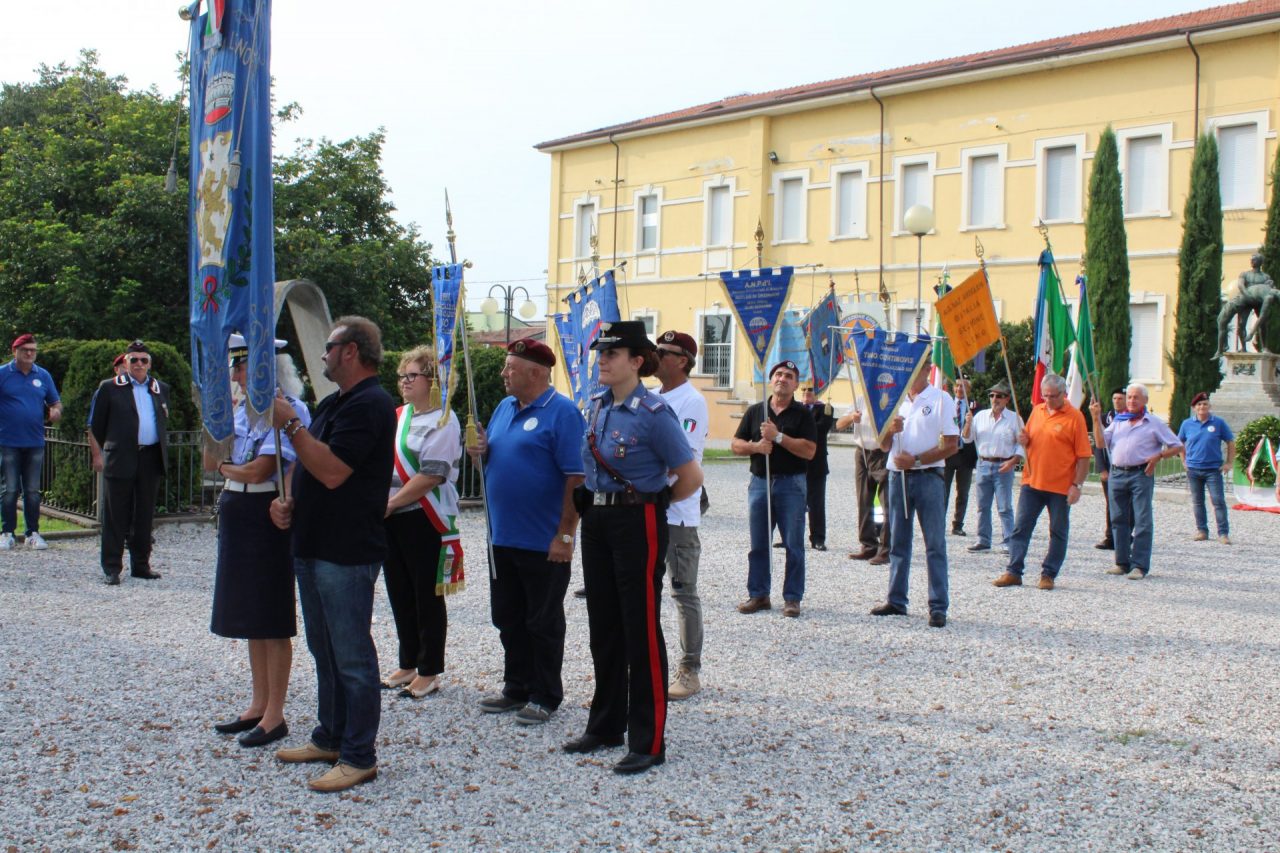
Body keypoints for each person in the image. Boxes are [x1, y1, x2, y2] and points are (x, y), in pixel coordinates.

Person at [565, 321, 703, 775]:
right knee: (603, 625)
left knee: (640, 627)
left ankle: (649, 739)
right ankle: (606, 724)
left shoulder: (653, 412)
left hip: (637, 518)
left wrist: (652, 505)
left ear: (637, 361)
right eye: (600, 351)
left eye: (613, 352)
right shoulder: (598, 406)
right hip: (599, 519)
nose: (602, 359)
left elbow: (691, 478)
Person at [268, 316, 396, 793]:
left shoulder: (371, 405)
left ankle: (360, 754)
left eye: (328, 346)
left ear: (351, 351)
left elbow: (334, 471)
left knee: (352, 656)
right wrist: (288, 503)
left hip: (345, 549)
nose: (321, 355)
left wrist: (294, 424)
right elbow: (307, 469)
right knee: (324, 651)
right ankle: (331, 736)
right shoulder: (334, 404)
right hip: (313, 541)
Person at [468, 338, 584, 726]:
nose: (503, 374)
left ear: (536, 373)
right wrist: (481, 450)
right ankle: (516, 686)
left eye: (509, 368)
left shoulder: (562, 413)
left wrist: (565, 535)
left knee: (543, 620)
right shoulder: (504, 407)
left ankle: (545, 693)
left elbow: (576, 477)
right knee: (508, 616)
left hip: (542, 539)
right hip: (501, 536)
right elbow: (503, 457)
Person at [204, 335, 310, 749]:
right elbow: (212, 459)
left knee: (270, 615)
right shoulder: (242, 411)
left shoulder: (288, 411)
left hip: (266, 513)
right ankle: (257, 703)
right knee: (250, 616)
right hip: (239, 510)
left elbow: (260, 469)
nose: (235, 374)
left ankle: (275, 713)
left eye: (242, 366)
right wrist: (231, 466)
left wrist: (230, 466)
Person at [381, 346, 463, 701]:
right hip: (391, 516)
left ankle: (429, 669)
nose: (404, 383)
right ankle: (408, 661)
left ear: (434, 380)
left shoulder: (444, 420)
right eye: (402, 376)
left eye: (411, 376)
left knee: (426, 596)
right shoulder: (398, 416)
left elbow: (432, 474)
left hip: (423, 517)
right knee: (399, 591)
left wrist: (392, 502)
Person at [869, 358, 959, 628]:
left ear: (925, 371)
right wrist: (889, 431)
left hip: (928, 477)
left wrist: (918, 460)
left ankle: (938, 605)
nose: (907, 375)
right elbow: (882, 445)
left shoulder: (941, 398)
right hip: (897, 478)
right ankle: (896, 599)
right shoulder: (893, 399)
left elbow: (952, 444)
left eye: (913, 370)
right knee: (898, 541)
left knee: (934, 543)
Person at [991, 373, 1092, 591]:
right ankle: (1013, 571)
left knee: (1057, 531)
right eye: (1045, 396)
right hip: (1032, 482)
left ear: (1064, 394)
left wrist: (1077, 485)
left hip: (1061, 487)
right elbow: (1029, 439)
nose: (1048, 400)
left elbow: (1084, 456)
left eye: (1053, 396)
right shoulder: (1037, 411)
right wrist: (1024, 441)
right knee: (1020, 528)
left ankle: (1049, 574)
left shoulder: (1075, 417)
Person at [731, 360, 817, 618]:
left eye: (789, 376)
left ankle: (792, 598)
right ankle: (758, 594)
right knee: (758, 543)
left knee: (793, 543)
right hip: (759, 483)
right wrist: (756, 447)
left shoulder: (803, 414)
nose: (782, 379)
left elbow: (810, 451)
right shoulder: (755, 410)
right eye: (778, 374)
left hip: (791, 484)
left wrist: (778, 436)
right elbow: (735, 444)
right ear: (771, 380)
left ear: (796, 384)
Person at [653, 330, 709, 700]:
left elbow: (681, 460)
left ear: (683, 360)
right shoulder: (652, 397)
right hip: (647, 507)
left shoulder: (692, 401)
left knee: (683, 592)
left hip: (677, 512)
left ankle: (690, 669)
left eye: (664, 351)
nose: (655, 355)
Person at [90, 340, 169, 584]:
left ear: (150, 364)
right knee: (116, 515)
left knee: (144, 515)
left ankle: (141, 565)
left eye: (143, 360)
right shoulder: (109, 388)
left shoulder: (160, 388)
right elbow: (96, 425)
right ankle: (112, 567)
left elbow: (163, 420)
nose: (138, 364)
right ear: (125, 362)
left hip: (150, 456)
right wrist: (104, 451)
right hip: (122, 455)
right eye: (133, 359)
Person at [1090, 383, 1183, 580]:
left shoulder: (1154, 423)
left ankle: (1139, 565)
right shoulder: (1119, 421)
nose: (1131, 401)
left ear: (1145, 401)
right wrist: (1095, 418)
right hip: (1117, 474)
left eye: (1136, 397)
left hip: (1140, 474)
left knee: (1142, 520)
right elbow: (1100, 443)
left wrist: (1159, 456)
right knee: (1118, 519)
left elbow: (1177, 445)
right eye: (1129, 397)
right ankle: (1122, 562)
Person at [0, 334, 62, 551]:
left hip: (34, 441)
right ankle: (7, 532)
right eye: (25, 349)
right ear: (14, 351)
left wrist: (55, 411)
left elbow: (55, 402)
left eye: (33, 350)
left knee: (33, 490)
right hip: (8, 441)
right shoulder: (3, 374)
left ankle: (32, 533)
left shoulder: (42, 375)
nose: (29, 353)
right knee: (9, 490)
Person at [964, 380, 1023, 554]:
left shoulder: (1014, 418)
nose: (994, 399)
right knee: (982, 506)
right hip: (983, 463)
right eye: (992, 395)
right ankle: (983, 540)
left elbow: (1022, 444)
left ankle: (1008, 540)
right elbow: (967, 439)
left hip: (1003, 464)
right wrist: (968, 423)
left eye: (999, 396)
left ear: (1007, 399)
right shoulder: (980, 416)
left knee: (1004, 506)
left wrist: (1013, 461)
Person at [1176, 392, 1235, 545]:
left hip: (1213, 470)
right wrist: (1184, 461)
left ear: (1209, 406)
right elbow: (1179, 443)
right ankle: (1201, 530)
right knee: (1197, 501)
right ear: (1194, 408)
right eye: (1199, 405)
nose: (1202, 407)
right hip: (1194, 469)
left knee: (1218, 501)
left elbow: (1230, 442)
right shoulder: (1187, 424)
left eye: (1205, 404)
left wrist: (1229, 462)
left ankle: (1223, 533)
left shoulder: (1218, 423)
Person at [837, 406, 889, 565]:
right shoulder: (859, 399)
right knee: (864, 499)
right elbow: (839, 424)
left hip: (882, 452)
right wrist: (852, 417)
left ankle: (886, 548)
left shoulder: (889, 396)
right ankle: (868, 545)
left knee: (886, 502)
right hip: (862, 452)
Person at [801, 385, 835, 550]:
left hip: (816, 463)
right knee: (793, 502)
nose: (807, 393)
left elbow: (821, 429)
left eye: (811, 390)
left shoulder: (826, 408)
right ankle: (790, 537)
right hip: (797, 462)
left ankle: (818, 538)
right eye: (804, 390)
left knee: (816, 503)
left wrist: (801, 428)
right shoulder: (795, 408)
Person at [943, 377, 978, 536]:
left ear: (968, 390)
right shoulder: (946, 404)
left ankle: (958, 524)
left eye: (963, 387)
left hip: (966, 455)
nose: (959, 389)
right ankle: (938, 522)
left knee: (963, 492)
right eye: (957, 386)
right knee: (943, 490)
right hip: (947, 453)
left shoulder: (975, 407)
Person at [1093, 387, 1127, 550]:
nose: (1117, 401)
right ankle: (1110, 536)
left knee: (1129, 505)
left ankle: (1126, 534)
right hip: (1110, 469)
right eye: (1115, 398)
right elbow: (1098, 446)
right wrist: (1102, 469)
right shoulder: (1105, 418)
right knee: (1111, 503)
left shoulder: (1132, 418)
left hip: (1127, 468)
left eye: (1121, 398)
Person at [87, 353, 128, 475]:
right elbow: (92, 426)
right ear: (116, 370)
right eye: (123, 367)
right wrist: (97, 456)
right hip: (112, 452)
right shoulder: (105, 391)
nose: (127, 371)